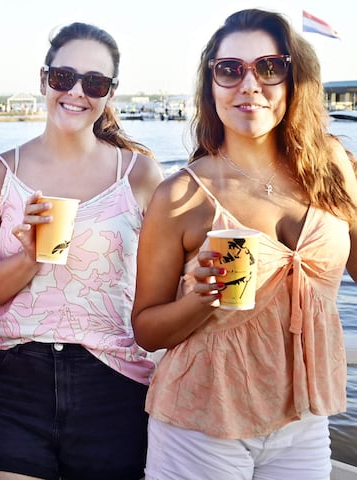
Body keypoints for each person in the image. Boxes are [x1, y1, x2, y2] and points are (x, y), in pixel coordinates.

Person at [131, 9, 357, 480]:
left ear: (296, 79)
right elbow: (147, 330)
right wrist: (201, 299)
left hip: (304, 415)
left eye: (269, 68)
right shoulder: (180, 194)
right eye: (230, 69)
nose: (249, 85)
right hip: (203, 420)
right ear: (211, 84)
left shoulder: (333, 166)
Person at [0, 22, 163, 480]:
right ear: (43, 79)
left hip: (116, 382)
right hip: (15, 382)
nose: (76, 91)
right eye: (62, 77)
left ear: (110, 92)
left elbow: (159, 292)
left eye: (94, 82)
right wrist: (28, 258)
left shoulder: (141, 174)